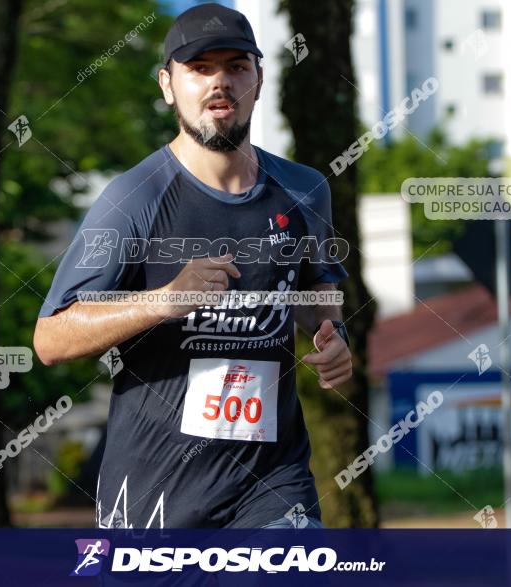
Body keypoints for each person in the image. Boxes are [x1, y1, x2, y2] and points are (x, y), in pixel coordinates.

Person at [33, 4, 352, 529]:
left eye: (235, 67)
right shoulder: (133, 198)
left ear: (259, 79)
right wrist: (164, 300)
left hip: (272, 482)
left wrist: (332, 335)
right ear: (167, 84)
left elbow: (315, 286)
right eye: (200, 69)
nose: (219, 82)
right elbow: (51, 337)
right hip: (155, 493)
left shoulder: (304, 189)